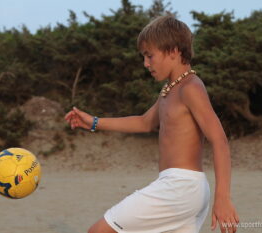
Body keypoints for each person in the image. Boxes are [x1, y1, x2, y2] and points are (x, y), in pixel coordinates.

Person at [65, 15, 239, 233]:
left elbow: (219, 140)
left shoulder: (191, 88)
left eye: (150, 56)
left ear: (174, 51)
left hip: (180, 187)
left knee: (99, 231)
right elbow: (144, 122)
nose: (146, 64)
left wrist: (223, 198)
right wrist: (94, 122)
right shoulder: (170, 89)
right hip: (183, 190)